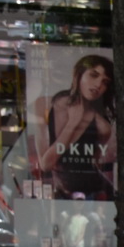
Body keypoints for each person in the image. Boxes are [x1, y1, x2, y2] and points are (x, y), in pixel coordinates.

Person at [34, 54, 115, 199]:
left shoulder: (101, 122)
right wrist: (72, 124)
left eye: (105, 82)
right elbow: (45, 163)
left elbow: (97, 162)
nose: (98, 85)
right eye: (93, 75)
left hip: (94, 194)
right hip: (61, 194)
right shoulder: (51, 104)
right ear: (79, 74)